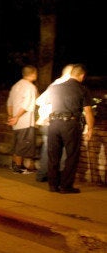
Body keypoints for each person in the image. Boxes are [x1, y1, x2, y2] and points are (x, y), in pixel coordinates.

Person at [43, 64, 95, 193]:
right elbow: (88, 111)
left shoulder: (55, 87)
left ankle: (53, 185)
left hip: (54, 123)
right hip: (70, 124)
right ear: (82, 76)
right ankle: (66, 186)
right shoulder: (82, 89)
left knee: (53, 155)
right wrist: (90, 129)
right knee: (72, 155)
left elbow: (46, 103)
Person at [34, 64, 74, 182]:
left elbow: (39, 101)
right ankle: (56, 176)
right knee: (59, 150)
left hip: (47, 123)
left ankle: (43, 174)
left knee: (48, 149)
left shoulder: (55, 84)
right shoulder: (64, 85)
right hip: (53, 122)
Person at [6, 65, 38, 174]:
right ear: (33, 73)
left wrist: (11, 116)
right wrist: (17, 117)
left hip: (16, 121)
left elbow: (9, 102)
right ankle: (18, 168)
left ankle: (14, 165)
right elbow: (27, 105)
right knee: (22, 145)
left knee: (17, 143)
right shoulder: (30, 87)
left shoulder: (16, 86)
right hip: (25, 121)